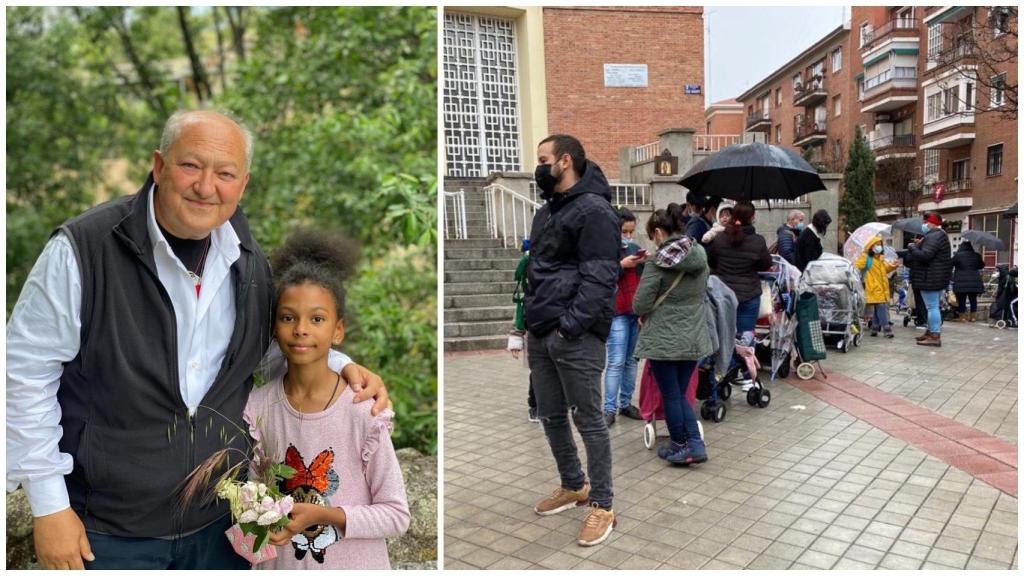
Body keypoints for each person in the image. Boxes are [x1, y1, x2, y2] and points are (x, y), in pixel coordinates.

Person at [6, 110, 389, 570]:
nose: (207, 187)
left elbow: (269, 350)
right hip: (106, 531)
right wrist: (50, 506)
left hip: (219, 530)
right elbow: (23, 377)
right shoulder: (83, 250)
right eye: (191, 166)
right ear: (160, 166)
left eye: (225, 174)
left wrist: (340, 363)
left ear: (242, 185)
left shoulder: (247, 263)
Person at [244, 230, 409, 569]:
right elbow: (253, 502)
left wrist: (325, 514)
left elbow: (396, 515)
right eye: (288, 317)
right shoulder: (257, 408)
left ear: (338, 330)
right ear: (274, 327)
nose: (301, 329)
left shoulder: (364, 411)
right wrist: (258, 528)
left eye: (316, 319)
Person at [524, 134, 619, 547]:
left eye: (543, 160)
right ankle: (573, 485)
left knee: (590, 420)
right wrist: (533, 325)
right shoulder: (546, 213)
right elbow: (537, 271)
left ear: (565, 161)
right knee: (550, 414)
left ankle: (602, 504)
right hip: (542, 331)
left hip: (574, 335)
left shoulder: (595, 210)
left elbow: (601, 276)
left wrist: (569, 327)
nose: (539, 167)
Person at [632, 209, 712, 465]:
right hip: (693, 336)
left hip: (664, 339)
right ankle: (690, 444)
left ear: (658, 232)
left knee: (672, 394)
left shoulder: (657, 263)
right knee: (679, 391)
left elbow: (640, 305)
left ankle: (684, 444)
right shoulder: (700, 255)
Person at [604, 207, 644, 426]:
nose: (628, 236)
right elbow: (600, 276)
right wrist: (620, 265)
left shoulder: (635, 248)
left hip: (633, 311)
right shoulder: (606, 250)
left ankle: (625, 403)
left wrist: (641, 261)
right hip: (616, 312)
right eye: (625, 231)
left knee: (631, 361)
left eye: (631, 231)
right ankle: (609, 408)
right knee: (616, 361)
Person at [907, 212, 953, 346]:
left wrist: (912, 248)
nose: (923, 225)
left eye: (925, 222)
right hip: (936, 277)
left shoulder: (934, 236)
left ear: (932, 223)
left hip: (931, 278)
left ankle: (934, 335)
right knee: (933, 307)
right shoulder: (939, 235)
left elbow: (925, 255)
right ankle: (930, 331)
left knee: (932, 307)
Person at [507, 238, 539, 422]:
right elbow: (519, 314)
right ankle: (534, 405)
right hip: (533, 331)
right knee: (537, 372)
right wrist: (516, 339)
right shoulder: (526, 292)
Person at [855, 235, 899, 338]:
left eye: (880, 245)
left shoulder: (880, 259)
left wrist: (892, 266)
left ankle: (875, 327)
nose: (879, 247)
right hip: (873, 287)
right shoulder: (866, 258)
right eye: (877, 244)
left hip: (882, 287)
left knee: (877, 308)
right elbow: (855, 267)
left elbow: (884, 270)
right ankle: (886, 328)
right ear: (871, 246)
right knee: (881, 306)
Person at [952, 240, 985, 322]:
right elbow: (981, 265)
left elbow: (950, 264)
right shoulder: (977, 255)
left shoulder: (957, 256)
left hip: (961, 281)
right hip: (975, 281)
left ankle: (962, 318)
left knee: (961, 300)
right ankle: (973, 317)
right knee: (973, 299)